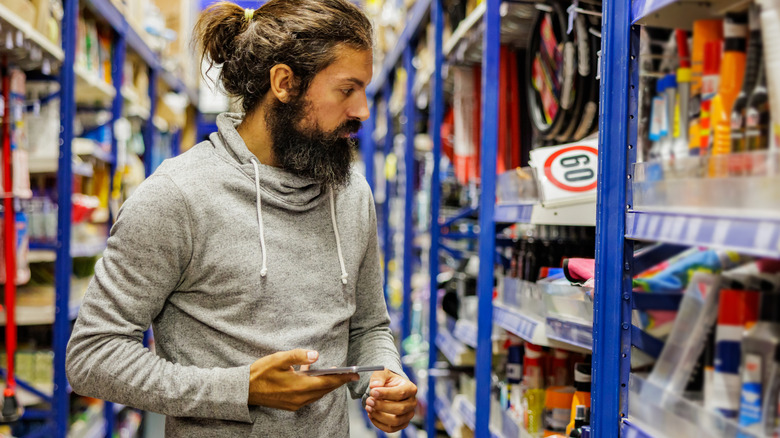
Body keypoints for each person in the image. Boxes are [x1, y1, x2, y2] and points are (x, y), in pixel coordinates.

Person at [65, 0, 417, 435]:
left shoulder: (351, 193)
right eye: (347, 90)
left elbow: (368, 324)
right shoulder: (178, 197)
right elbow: (92, 355)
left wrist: (385, 378)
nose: (363, 110)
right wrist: (240, 388)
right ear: (284, 83)